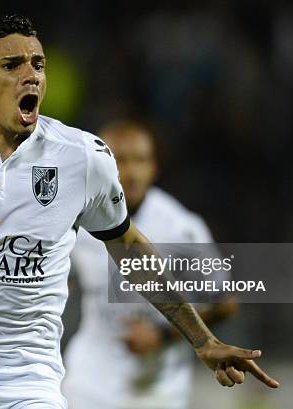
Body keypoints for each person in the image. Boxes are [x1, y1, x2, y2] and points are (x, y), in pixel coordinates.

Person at [0, 14, 279, 409]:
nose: (31, 76)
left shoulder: (82, 158)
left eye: (38, 64)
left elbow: (128, 247)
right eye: (11, 65)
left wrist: (202, 340)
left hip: (28, 378)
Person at [63, 121, 238, 409]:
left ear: (154, 168)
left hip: (158, 385)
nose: (131, 172)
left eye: (140, 160)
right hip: (90, 377)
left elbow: (224, 301)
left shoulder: (182, 228)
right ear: (99, 166)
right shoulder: (76, 221)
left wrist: (161, 336)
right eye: (119, 160)